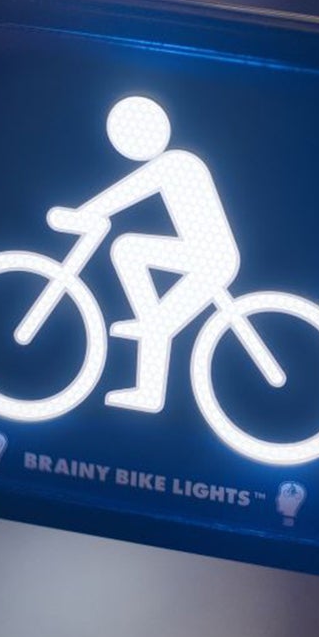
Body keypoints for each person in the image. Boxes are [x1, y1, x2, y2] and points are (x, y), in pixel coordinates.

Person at [46, 95, 243, 411]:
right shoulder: (172, 162)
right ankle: (148, 329)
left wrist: (84, 213)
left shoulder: (175, 162)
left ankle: (148, 382)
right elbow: (127, 191)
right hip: (200, 255)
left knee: (132, 257)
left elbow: (126, 193)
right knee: (131, 254)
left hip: (210, 259)